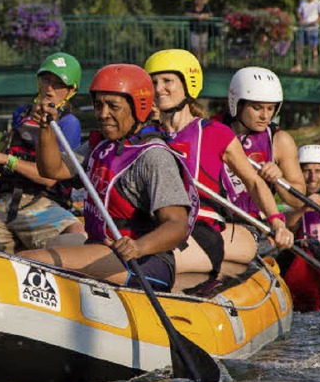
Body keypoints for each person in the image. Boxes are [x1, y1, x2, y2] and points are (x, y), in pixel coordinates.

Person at [18, 64, 198, 291]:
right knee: (21, 253)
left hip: (144, 263)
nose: (103, 114)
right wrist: (45, 129)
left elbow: (177, 225)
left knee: (29, 260)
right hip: (101, 248)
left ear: (138, 108)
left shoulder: (154, 156)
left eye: (113, 106)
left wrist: (138, 247)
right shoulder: (100, 145)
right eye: (98, 105)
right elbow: (52, 170)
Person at [144, 50, 295, 275]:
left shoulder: (216, 133)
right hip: (156, 225)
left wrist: (277, 222)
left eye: (167, 81)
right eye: (153, 82)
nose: (158, 89)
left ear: (188, 85)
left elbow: (253, 182)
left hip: (206, 229)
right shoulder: (144, 135)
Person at [0, 52, 86, 253]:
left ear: (70, 90)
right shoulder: (21, 114)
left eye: (57, 84)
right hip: (6, 203)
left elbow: (49, 179)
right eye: (46, 80)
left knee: (75, 234)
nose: (49, 88)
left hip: (43, 204)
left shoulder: (69, 123)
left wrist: (6, 159)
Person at [223, 66, 306, 211]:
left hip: (258, 224)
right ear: (238, 104)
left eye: (270, 108)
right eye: (257, 107)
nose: (265, 116)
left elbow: (298, 201)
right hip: (219, 221)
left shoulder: (280, 140)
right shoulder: (213, 132)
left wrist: (279, 180)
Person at [285, 145, 320, 253]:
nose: (312, 177)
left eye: (318, 171)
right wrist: (304, 208)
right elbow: (286, 225)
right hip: (310, 264)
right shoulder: (293, 202)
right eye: (306, 171)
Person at [291, 0, 320, 73]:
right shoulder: (303, 2)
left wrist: (315, 22)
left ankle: (313, 67)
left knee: (314, 48)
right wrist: (301, 19)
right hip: (304, 27)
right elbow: (299, 12)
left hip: (313, 28)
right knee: (299, 47)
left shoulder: (318, 3)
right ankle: (298, 66)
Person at [184, 0, 211, 66]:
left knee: (203, 48)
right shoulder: (192, 6)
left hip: (203, 30)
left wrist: (203, 16)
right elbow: (187, 14)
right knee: (195, 47)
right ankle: (195, 62)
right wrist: (196, 16)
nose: (199, 0)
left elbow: (209, 14)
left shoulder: (205, 6)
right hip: (194, 30)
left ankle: (203, 63)